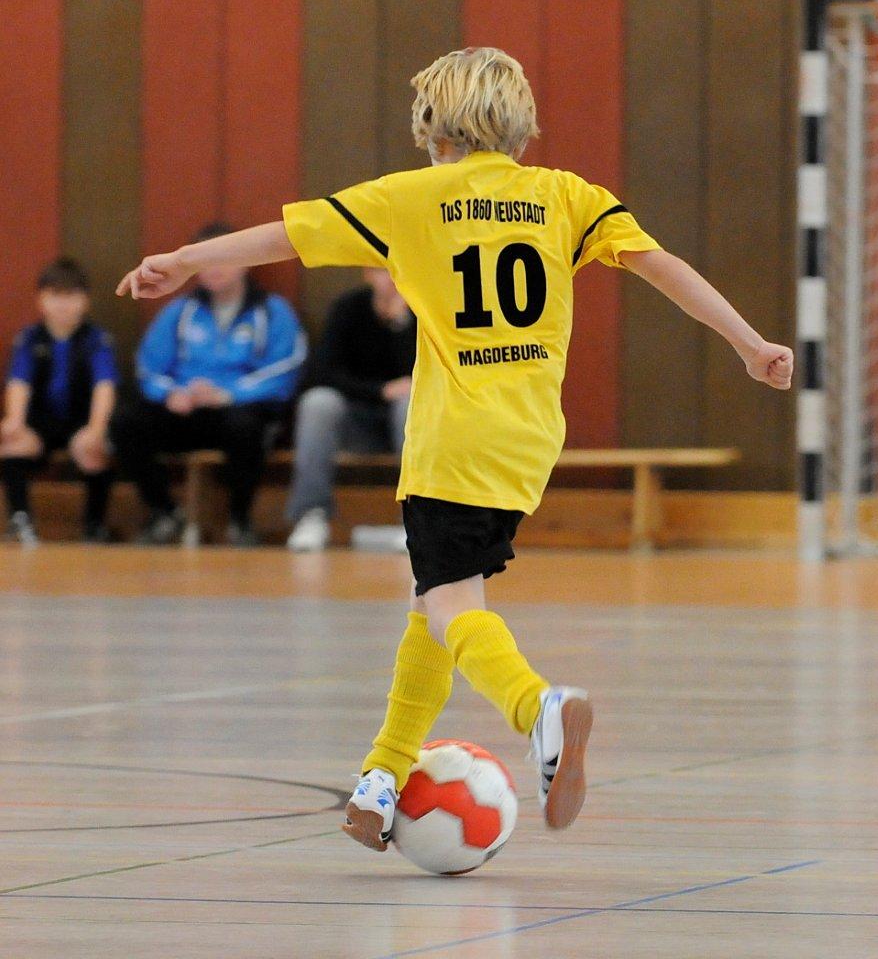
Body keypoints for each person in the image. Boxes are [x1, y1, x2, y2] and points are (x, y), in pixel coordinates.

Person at [117, 47, 794, 851]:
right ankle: (382, 776)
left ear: (433, 129)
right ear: (522, 126)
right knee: (432, 601)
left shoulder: (409, 198)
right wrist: (749, 344)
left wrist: (184, 261)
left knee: (449, 604)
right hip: (528, 439)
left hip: (452, 442)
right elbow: (663, 268)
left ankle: (536, 708)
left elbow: (286, 237)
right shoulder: (566, 196)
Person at [111, 223, 306, 546]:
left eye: (222, 258)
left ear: (246, 262)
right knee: (126, 423)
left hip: (238, 410)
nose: (214, 268)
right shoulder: (179, 312)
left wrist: (228, 394)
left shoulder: (272, 311)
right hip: (185, 410)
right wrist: (171, 393)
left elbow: (285, 370)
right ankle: (164, 512)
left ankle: (240, 520)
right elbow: (148, 367)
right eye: (205, 260)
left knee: (247, 428)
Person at [286, 266, 415, 551]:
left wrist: (401, 325)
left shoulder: (423, 312)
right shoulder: (348, 308)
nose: (391, 279)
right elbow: (323, 372)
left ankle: (416, 520)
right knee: (318, 402)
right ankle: (311, 514)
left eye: (397, 270)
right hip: (354, 422)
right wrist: (380, 391)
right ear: (368, 274)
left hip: (406, 422)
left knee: (410, 405)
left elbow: (426, 375)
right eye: (382, 271)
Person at [1, 258, 118, 544]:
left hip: (80, 422)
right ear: (40, 299)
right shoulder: (30, 338)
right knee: (12, 446)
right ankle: (21, 519)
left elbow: (104, 386)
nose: (63, 304)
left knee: (95, 450)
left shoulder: (96, 340)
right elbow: (19, 383)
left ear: (85, 300)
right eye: (55, 295)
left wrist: (96, 429)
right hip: (40, 423)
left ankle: (94, 525)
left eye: (71, 295)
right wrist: (15, 422)